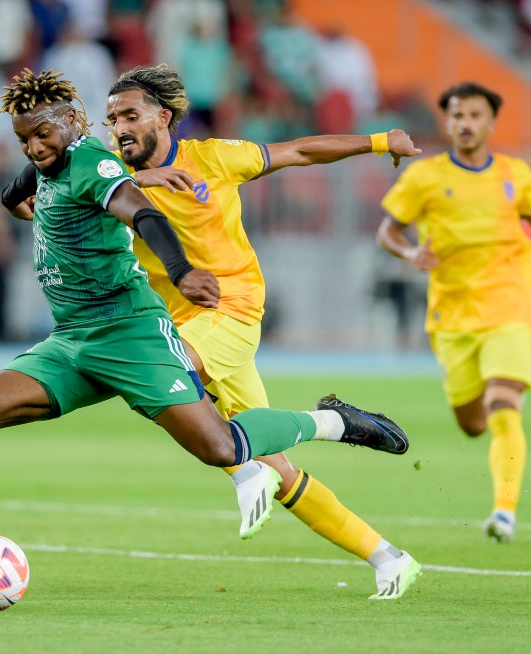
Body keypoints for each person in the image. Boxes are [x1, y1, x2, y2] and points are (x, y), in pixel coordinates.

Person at [0, 68, 409, 568]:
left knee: (226, 444)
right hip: (75, 340)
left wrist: (181, 270)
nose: (33, 147)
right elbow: (26, 185)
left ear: (77, 122)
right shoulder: (56, 159)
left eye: (42, 134)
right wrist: (16, 194)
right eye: (23, 138)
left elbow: (143, 216)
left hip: (139, 331)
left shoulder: (102, 162)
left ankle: (331, 426)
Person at [99, 64, 423, 600]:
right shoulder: (108, 174)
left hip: (235, 308)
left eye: (130, 115)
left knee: (160, 378)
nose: (119, 128)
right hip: (182, 325)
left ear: (163, 117)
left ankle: (255, 465)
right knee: (276, 463)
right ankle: (388, 557)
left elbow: (298, 152)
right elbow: (31, 202)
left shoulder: (214, 158)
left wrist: (377, 139)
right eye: (113, 120)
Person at [377, 81, 531, 544]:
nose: (466, 123)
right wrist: (409, 256)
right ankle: (487, 419)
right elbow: (388, 232)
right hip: (452, 317)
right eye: (458, 115)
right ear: (447, 121)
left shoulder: (516, 174)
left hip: (509, 306)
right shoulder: (424, 177)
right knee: (471, 422)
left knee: (505, 407)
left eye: (475, 115)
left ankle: (504, 512)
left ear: (490, 122)